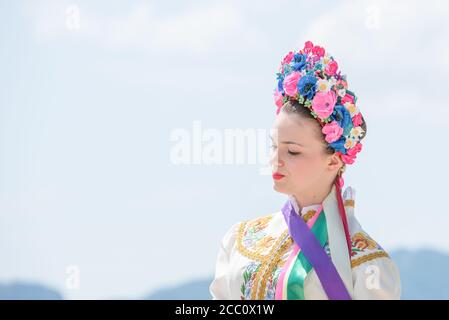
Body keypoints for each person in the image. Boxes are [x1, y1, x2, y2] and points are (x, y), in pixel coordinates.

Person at [209, 41, 401, 300]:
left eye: (293, 151)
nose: (275, 161)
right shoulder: (240, 241)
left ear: (333, 161)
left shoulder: (367, 265)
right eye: (273, 146)